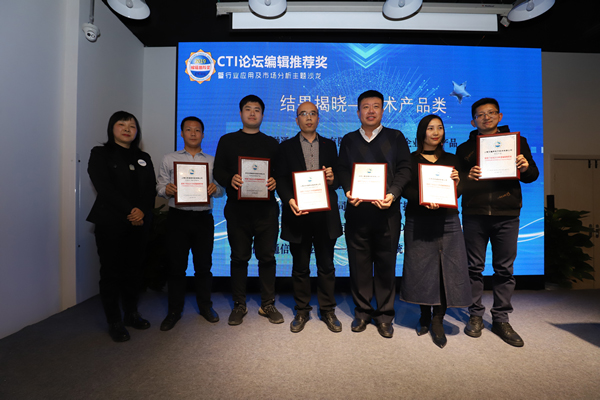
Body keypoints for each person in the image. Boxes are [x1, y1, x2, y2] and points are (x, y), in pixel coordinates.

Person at [456, 98, 539, 347]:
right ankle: (475, 315)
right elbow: (457, 186)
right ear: (473, 121)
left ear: (500, 116)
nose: (486, 117)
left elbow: (532, 176)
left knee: (504, 270)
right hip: (475, 214)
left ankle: (501, 319)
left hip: (507, 214)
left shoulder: (518, 143)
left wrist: (525, 167)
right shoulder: (464, 149)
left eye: (491, 113)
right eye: (480, 115)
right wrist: (468, 177)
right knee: (474, 268)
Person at [338, 90, 411, 338]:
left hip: (387, 213)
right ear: (358, 111)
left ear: (383, 110)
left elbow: (405, 169)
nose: (371, 111)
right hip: (357, 212)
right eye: (366, 106)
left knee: (386, 266)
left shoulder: (396, 137)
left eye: (376, 106)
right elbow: (342, 169)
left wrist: (393, 193)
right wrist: (348, 189)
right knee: (359, 266)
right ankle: (362, 313)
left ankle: (385, 316)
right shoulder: (348, 140)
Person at [399, 114, 471, 348]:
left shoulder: (452, 159)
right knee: (421, 270)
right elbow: (405, 189)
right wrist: (423, 198)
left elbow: (458, 190)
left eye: (439, 128)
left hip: (448, 220)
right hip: (419, 219)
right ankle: (424, 315)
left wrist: (458, 183)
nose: (436, 132)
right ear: (422, 132)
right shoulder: (410, 160)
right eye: (430, 128)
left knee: (446, 270)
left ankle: (438, 319)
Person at [213, 94, 283, 326]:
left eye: (257, 110)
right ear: (240, 113)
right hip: (238, 210)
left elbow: (280, 173)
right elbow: (218, 170)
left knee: (267, 258)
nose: (252, 113)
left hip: (267, 211)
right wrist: (229, 179)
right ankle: (239, 304)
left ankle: (267, 304)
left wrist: (274, 180)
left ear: (262, 115)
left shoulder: (272, 143)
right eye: (248, 109)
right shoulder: (227, 141)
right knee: (239, 258)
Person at [87, 111, 157, 342]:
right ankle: (114, 321)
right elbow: (104, 188)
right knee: (111, 272)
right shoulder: (100, 154)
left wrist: (141, 211)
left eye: (132, 126)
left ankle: (131, 313)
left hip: (140, 223)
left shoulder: (144, 157)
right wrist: (130, 210)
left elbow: (150, 189)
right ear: (112, 128)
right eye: (122, 124)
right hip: (111, 222)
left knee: (134, 271)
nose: (127, 129)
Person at [275, 102, 343, 333]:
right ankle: (302, 310)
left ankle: (328, 310)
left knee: (326, 266)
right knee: (300, 267)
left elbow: (337, 178)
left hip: (325, 216)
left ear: (318, 118)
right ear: (297, 120)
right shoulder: (286, 147)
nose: (309, 118)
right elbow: (281, 179)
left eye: (313, 113)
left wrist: (333, 178)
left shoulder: (330, 145)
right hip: (299, 214)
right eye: (303, 114)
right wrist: (289, 200)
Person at [156, 116, 224, 331]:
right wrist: (166, 190)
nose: (193, 133)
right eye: (188, 129)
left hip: (203, 219)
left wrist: (216, 189)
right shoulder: (169, 159)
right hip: (178, 218)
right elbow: (160, 186)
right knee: (176, 267)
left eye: (197, 130)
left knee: (204, 267)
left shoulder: (213, 161)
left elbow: (221, 190)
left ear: (203, 134)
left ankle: (205, 307)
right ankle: (174, 311)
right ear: (182, 133)